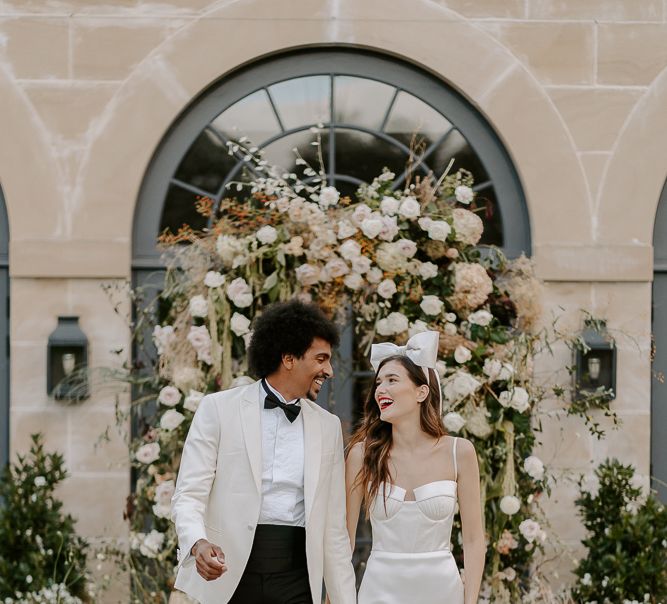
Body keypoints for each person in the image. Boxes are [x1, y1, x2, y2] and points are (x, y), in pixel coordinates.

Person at [171, 299, 357, 604]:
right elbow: (189, 494)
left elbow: (334, 530)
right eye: (321, 359)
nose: (329, 370)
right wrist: (197, 542)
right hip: (229, 576)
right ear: (288, 358)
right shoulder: (217, 409)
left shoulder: (328, 426)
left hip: (297, 577)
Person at [345, 331, 485, 604]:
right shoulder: (362, 454)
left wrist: (470, 601)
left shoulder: (460, 452)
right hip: (379, 592)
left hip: (443, 592)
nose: (380, 390)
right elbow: (345, 540)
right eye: (378, 383)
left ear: (422, 392)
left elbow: (473, 539)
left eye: (392, 380)